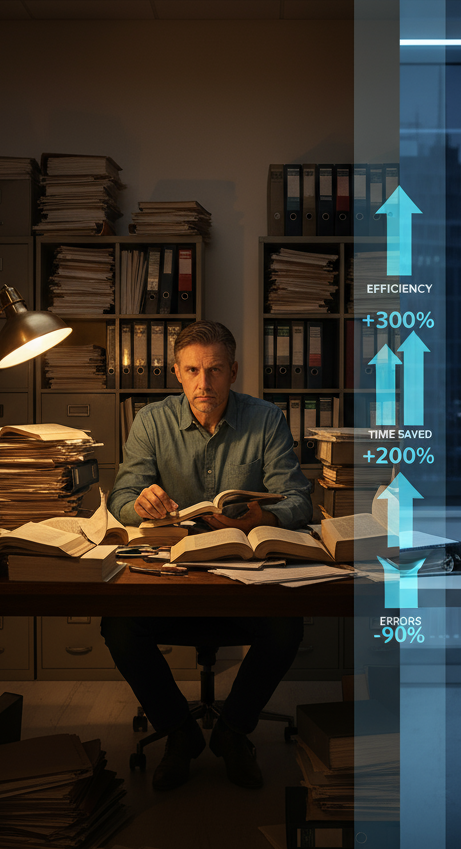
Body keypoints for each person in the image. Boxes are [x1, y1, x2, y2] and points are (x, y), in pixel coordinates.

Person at [102, 320, 311, 792]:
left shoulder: (266, 420)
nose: (204, 383)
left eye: (215, 370)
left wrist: (262, 521)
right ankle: (179, 733)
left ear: (233, 371)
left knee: (288, 625)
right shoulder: (151, 421)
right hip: (172, 577)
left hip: (245, 575)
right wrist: (138, 503)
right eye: (193, 370)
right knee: (117, 625)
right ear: (176, 372)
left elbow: (299, 499)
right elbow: (119, 497)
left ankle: (234, 732)